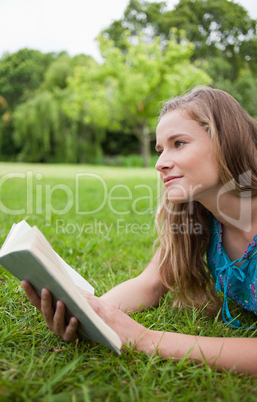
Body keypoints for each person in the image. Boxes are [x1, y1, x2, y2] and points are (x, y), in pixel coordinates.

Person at [22, 86, 257, 375]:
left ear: (225, 140)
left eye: (179, 143)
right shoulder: (201, 220)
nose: (160, 163)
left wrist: (148, 339)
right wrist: (91, 313)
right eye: (160, 150)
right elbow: (150, 284)